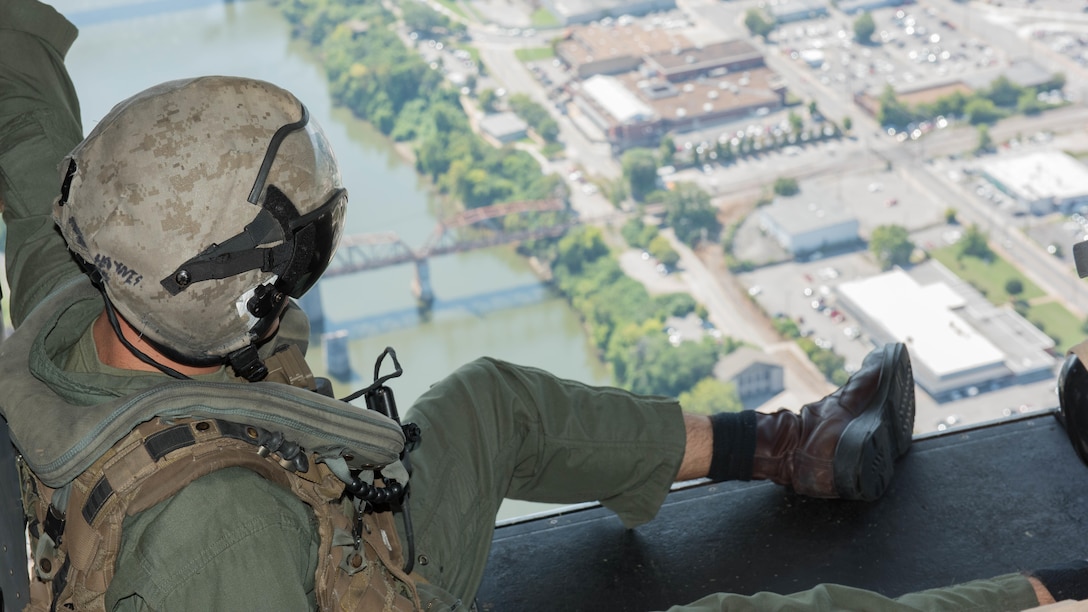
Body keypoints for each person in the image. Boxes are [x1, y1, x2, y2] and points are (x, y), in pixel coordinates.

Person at [0, 1, 1082, 610]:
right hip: (341, 576)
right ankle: (1027, 601)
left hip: (323, 525)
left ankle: (790, 446)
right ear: (239, 301)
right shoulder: (216, 535)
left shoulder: (78, 284)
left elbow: (25, 125)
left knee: (489, 402)